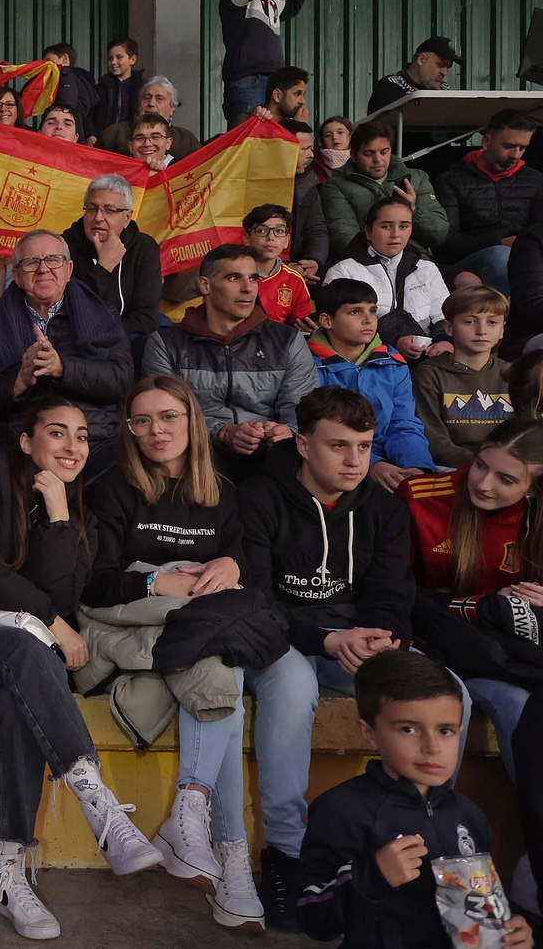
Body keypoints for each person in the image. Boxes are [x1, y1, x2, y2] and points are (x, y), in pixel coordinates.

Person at [0, 396, 165, 939]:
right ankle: (98, 802)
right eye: (57, 433)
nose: (72, 447)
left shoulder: (78, 508)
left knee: (25, 685)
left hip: (19, 650)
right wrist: (47, 620)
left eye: (82, 437)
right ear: (27, 441)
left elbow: (62, 593)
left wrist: (61, 518)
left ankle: (8, 868)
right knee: (32, 652)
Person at [86, 378, 288, 932]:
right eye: (143, 420)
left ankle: (196, 819)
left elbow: (251, 578)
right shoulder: (111, 488)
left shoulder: (223, 491)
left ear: (192, 421)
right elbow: (93, 586)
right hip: (127, 616)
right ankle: (223, 847)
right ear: (128, 429)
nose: (157, 431)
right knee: (217, 641)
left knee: (216, 656)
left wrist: (233, 565)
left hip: (187, 632)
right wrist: (156, 585)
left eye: (169, 417)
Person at [237, 387, 417, 928]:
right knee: (292, 686)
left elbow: (393, 592)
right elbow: (254, 600)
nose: (354, 461)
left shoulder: (382, 508)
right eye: (338, 446)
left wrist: (384, 638)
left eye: (364, 447)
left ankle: (418, 840)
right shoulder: (259, 498)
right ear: (302, 444)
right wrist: (327, 640)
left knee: (440, 690)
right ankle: (289, 855)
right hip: (281, 640)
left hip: (355, 642)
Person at [296, 650, 533, 949]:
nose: (432, 747)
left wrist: (508, 934)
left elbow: (477, 915)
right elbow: (310, 916)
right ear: (370, 732)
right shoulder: (341, 810)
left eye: (445, 731)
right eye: (408, 729)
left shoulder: (471, 815)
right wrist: (372, 877)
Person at [398, 418, 543, 781]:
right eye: (481, 465)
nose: (482, 483)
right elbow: (394, 591)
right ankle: (436, 825)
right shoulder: (419, 497)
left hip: (504, 656)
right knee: (460, 702)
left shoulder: (536, 517)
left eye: (506, 479)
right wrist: (479, 606)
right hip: (430, 645)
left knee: (520, 705)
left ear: (534, 490)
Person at [0, 228, 131, 474]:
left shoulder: (103, 314)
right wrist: (18, 380)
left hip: (92, 444)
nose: (43, 269)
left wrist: (62, 368)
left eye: (53, 260)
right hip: (14, 444)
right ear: (17, 276)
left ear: (69, 270)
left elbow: (122, 380)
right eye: (31, 263)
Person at [142, 244, 318, 477]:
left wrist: (288, 433)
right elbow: (164, 415)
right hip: (194, 459)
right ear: (205, 285)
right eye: (234, 278)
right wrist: (222, 432)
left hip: (272, 459)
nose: (248, 289)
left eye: (253, 278)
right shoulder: (165, 343)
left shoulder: (287, 340)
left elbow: (304, 406)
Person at [308, 278, 434, 488]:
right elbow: (318, 432)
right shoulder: (308, 364)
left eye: (372, 311)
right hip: (335, 465)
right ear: (327, 321)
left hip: (392, 461)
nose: (368, 320)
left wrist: (416, 466)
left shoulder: (392, 362)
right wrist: (372, 464)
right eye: (355, 312)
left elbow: (403, 422)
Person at [325, 197, 452, 358]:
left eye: (404, 226)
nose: (395, 234)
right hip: (367, 358)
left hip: (424, 358)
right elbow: (340, 326)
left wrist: (445, 341)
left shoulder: (426, 269)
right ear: (368, 232)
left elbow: (445, 315)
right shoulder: (344, 271)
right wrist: (395, 340)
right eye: (386, 226)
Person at [434, 109, 542, 293]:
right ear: (486, 142)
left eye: (522, 148)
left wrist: (523, 244)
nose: (515, 155)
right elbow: (446, 243)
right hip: (471, 262)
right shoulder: (451, 180)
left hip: (526, 254)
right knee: (502, 257)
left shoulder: (536, 180)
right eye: (509, 146)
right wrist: (500, 241)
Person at [413, 286, 515, 468]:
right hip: (450, 466)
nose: (482, 330)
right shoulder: (430, 374)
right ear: (449, 328)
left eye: (492, 322)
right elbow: (433, 438)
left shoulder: (512, 374)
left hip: (508, 466)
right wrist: (480, 464)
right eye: (469, 322)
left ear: (502, 330)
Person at [219, 0, 317, 126]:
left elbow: (293, 5)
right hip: (248, 81)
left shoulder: (268, 1)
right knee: (248, 143)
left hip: (274, 82)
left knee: (272, 143)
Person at [321, 121, 450, 255]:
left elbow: (439, 234)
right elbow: (344, 238)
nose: (378, 159)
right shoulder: (337, 186)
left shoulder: (417, 178)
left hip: (419, 262)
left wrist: (413, 210)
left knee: (465, 276)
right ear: (353, 155)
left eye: (384, 152)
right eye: (369, 154)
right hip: (367, 266)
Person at [62, 174, 163, 338]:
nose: (98, 218)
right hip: (74, 339)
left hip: (125, 340)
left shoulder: (144, 247)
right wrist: (103, 267)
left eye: (109, 210)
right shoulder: (63, 246)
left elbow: (146, 317)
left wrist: (106, 336)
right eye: (91, 209)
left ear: (127, 218)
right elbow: (67, 310)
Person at [244, 204, 315, 328]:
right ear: (247, 238)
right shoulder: (232, 273)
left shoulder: (294, 280)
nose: (270, 237)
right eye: (261, 230)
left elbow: (301, 326)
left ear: (287, 240)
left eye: (279, 231)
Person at [98, 76, 202, 160]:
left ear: (172, 108)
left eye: (159, 98)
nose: (151, 103)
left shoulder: (187, 140)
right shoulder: (114, 133)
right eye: (147, 98)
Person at [367, 36, 463, 116]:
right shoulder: (389, 87)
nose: (444, 72)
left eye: (448, 67)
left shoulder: (444, 89)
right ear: (421, 59)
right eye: (441, 65)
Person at [285, 118, 330, 278]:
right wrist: (285, 267)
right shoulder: (256, 184)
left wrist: (314, 261)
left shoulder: (308, 180)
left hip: (301, 266)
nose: (311, 155)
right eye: (305, 148)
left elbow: (316, 228)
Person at [41, 43, 103, 142]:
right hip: (74, 136)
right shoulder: (80, 79)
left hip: (63, 138)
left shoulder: (65, 75)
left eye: (49, 61)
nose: (46, 66)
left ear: (65, 58)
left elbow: (65, 109)